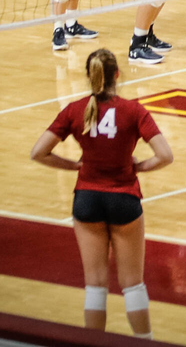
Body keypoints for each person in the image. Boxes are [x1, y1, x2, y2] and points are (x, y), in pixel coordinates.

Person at [31, 49, 173, 338]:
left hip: (87, 199)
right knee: (132, 283)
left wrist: (75, 165)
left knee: (95, 284)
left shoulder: (74, 110)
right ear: (117, 75)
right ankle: (144, 343)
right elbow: (165, 156)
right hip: (124, 198)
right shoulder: (134, 111)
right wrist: (139, 167)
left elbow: (38, 152)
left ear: (89, 76)